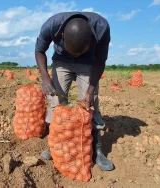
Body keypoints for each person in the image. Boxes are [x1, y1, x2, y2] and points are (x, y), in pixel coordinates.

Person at [35, 11, 114, 171]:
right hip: (61, 62)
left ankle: (96, 150)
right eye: (73, 51)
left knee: (90, 105)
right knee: (56, 103)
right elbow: (39, 50)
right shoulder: (52, 25)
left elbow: (101, 60)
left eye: (79, 51)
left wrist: (91, 89)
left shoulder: (102, 27)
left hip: (88, 63)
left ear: (92, 39)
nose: (75, 56)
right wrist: (45, 78)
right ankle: (54, 144)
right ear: (62, 36)